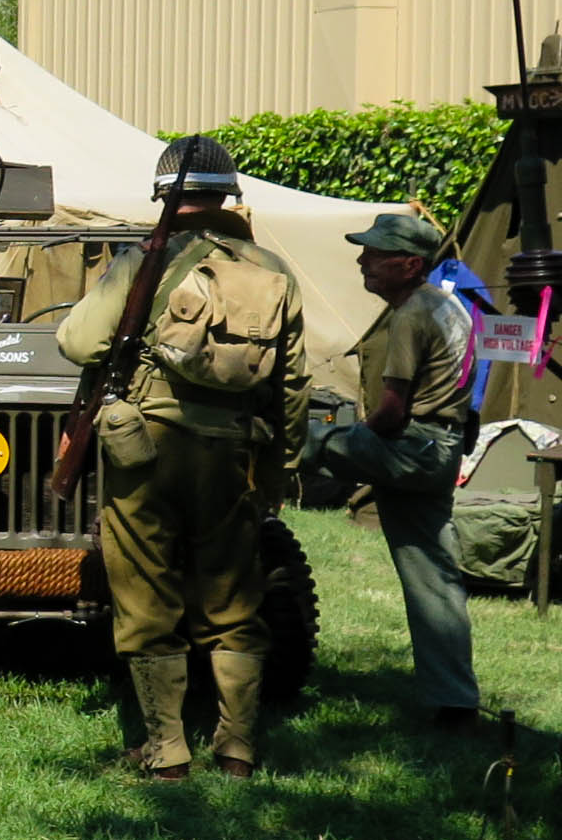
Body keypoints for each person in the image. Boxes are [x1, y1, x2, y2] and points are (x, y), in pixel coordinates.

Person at [57, 135, 308, 780]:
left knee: (147, 598)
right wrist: (278, 467)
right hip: (235, 454)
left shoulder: (145, 260)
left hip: (146, 452)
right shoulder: (273, 270)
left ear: (162, 194)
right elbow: (293, 384)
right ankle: (238, 749)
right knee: (234, 601)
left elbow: (78, 342)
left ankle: (166, 751)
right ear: (229, 196)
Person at [313, 212, 479, 728]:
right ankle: (455, 702)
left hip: (413, 446)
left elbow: (390, 414)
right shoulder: (449, 305)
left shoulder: (409, 315)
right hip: (443, 446)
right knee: (433, 577)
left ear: (409, 264)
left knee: (302, 439)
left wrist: (345, 443)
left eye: (375, 254)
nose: (362, 261)